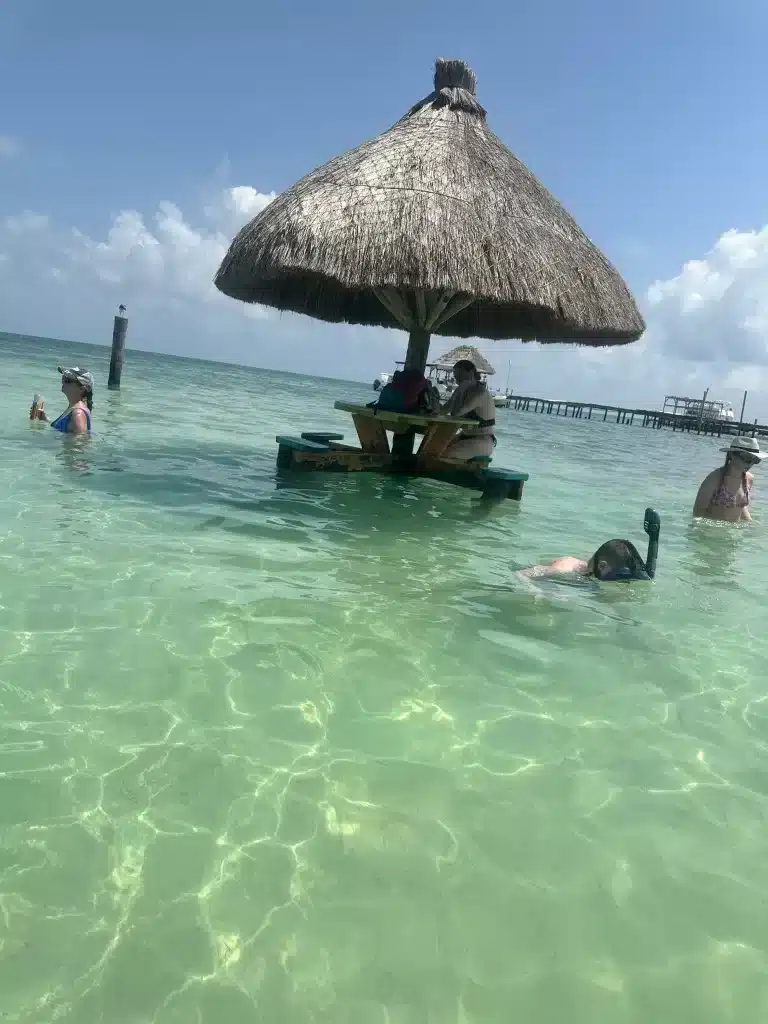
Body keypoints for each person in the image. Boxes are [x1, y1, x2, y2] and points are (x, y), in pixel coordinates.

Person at [693, 435, 766, 522]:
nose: (750, 463)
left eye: (755, 460)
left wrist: (750, 523)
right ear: (732, 455)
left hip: (734, 532)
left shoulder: (748, 479)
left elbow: (740, 505)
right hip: (712, 531)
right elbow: (697, 513)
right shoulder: (714, 478)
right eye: (747, 458)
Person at [441, 359, 496, 461]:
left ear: (470, 372)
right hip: (465, 436)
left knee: (444, 455)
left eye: (459, 376)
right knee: (434, 450)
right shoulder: (461, 389)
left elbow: (456, 413)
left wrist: (462, 387)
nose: (457, 380)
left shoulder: (480, 392)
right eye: (456, 377)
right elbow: (443, 410)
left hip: (482, 440)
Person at [521, 539, 651, 581]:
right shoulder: (564, 569)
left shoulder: (591, 572)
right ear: (602, 566)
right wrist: (536, 591)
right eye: (618, 576)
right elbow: (520, 574)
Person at [34, 367, 94, 434]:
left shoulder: (78, 414)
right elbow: (66, 431)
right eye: (63, 378)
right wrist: (46, 419)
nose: (63, 382)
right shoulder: (73, 408)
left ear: (81, 389)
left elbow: (80, 442)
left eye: (67, 380)